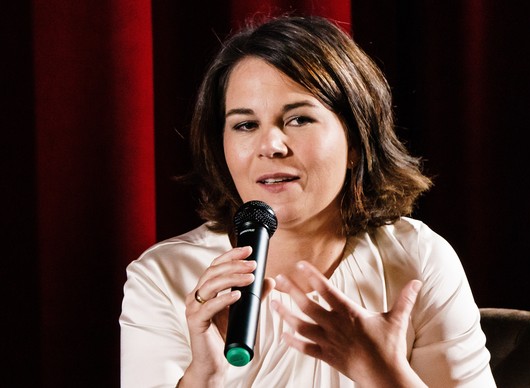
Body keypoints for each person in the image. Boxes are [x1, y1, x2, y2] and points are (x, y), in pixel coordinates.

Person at [120, 15, 496, 387]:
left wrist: (383, 375)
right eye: (246, 125)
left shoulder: (420, 258)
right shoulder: (162, 276)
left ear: (356, 142)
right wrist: (204, 377)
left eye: (298, 119)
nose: (270, 146)